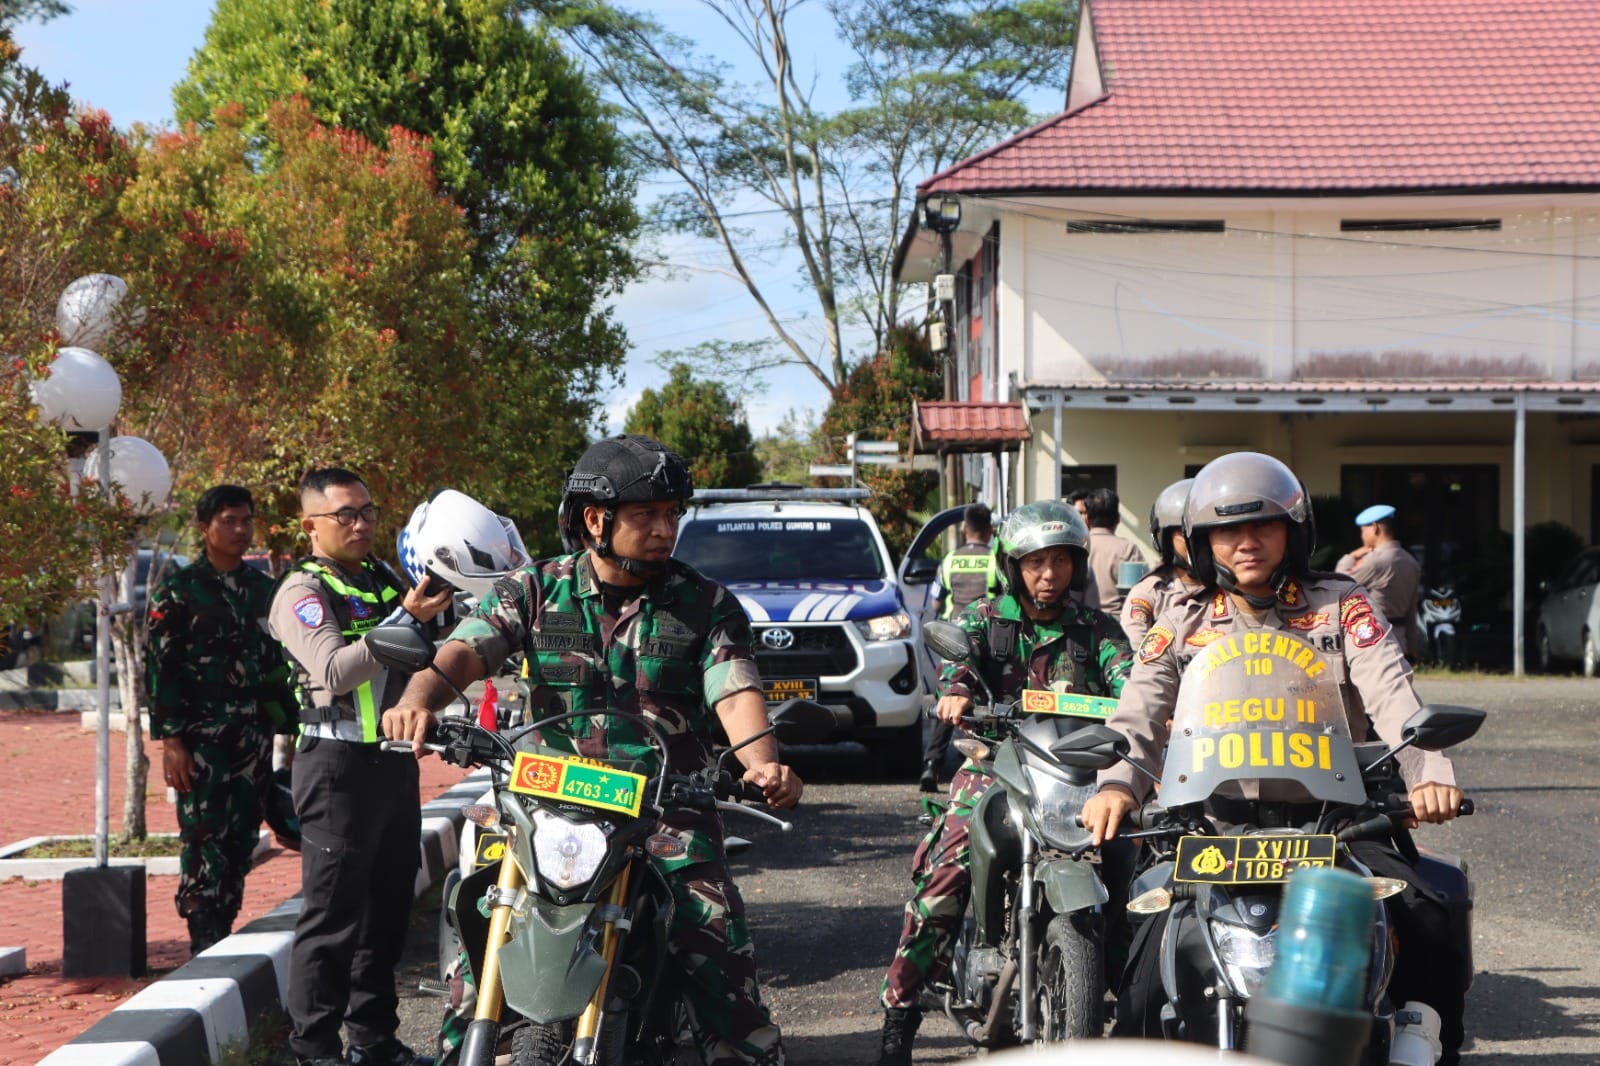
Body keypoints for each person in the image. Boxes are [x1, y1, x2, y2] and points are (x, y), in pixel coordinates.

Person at [386, 434, 802, 1066]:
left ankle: (746, 1051)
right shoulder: (533, 589)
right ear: (594, 520)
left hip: (663, 810)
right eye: (647, 514)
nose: (665, 529)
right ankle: (463, 1047)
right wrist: (418, 699)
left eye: (672, 514)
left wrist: (762, 764)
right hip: (545, 804)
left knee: (713, 935)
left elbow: (734, 690)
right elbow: (464, 652)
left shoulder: (706, 604)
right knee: (480, 922)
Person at [1080, 452, 1469, 1063]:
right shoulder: (1179, 618)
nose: (1247, 542)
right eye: (1228, 530)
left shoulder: (1342, 604)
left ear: (1294, 531)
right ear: (1203, 541)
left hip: (1335, 820)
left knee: (1426, 916)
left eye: (1263, 524)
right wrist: (1116, 785)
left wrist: (1431, 775)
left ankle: (1419, 1037)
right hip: (1212, 827)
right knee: (1142, 972)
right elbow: (1140, 711)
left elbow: (1395, 694)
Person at [876, 500, 1134, 1066]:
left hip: (1076, 772)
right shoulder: (984, 619)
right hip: (995, 763)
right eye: (1036, 562)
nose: (1049, 574)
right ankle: (900, 1013)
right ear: (1013, 566)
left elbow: (1132, 684)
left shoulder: (1097, 630)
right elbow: (959, 664)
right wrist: (957, 691)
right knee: (946, 871)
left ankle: (1133, 989)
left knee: (1137, 856)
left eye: (1060, 561)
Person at [270, 467, 455, 1066]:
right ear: (310, 526)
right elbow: (333, 670)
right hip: (336, 768)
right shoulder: (301, 591)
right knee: (332, 919)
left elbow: (429, 650)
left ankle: (374, 1042)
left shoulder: (380, 578)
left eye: (368, 512)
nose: (360, 524)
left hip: (392, 765)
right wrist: (406, 619)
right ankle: (315, 1050)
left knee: (387, 914)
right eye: (345, 515)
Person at [145, 484, 297, 955]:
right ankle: (202, 930)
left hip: (253, 735)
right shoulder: (179, 590)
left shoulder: (263, 590)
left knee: (243, 832)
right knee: (203, 831)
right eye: (228, 521)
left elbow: (278, 664)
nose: (239, 529)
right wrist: (172, 742)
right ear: (204, 528)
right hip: (201, 739)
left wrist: (290, 729)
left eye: (246, 520)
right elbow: (161, 668)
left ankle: (224, 921)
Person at [921, 502, 1003, 791]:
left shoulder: (949, 560)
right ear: (990, 530)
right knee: (987, 703)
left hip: (951, 640)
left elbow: (935, 603)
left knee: (949, 698)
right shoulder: (995, 560)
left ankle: (932, 764)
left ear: (965, 529)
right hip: (990, 640)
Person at [1119, 478, 1205, 646]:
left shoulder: (1233, 589)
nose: (1195, 542)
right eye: (1185, 533)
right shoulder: (1152, 592)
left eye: (1202, 534)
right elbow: (1137, 649)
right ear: (1165, 540)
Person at [1337, 503, 1424, 660]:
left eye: (1363, 530)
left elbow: (1340, 582)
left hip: (1375, 640)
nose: (1362, 536)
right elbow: (1411, 611)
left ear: (1375, 528)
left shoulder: (1375, 561)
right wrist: (1412, 648)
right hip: (1400, 642)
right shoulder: (1411, 561)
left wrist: (1351, 556)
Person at [1082, 487, 1147, 617]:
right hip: (1118, 623)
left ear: (1087, 519)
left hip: (1083, 622)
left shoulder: (1078, 546)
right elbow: (1138, 595)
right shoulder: (1128, 549)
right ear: (1118, 519)